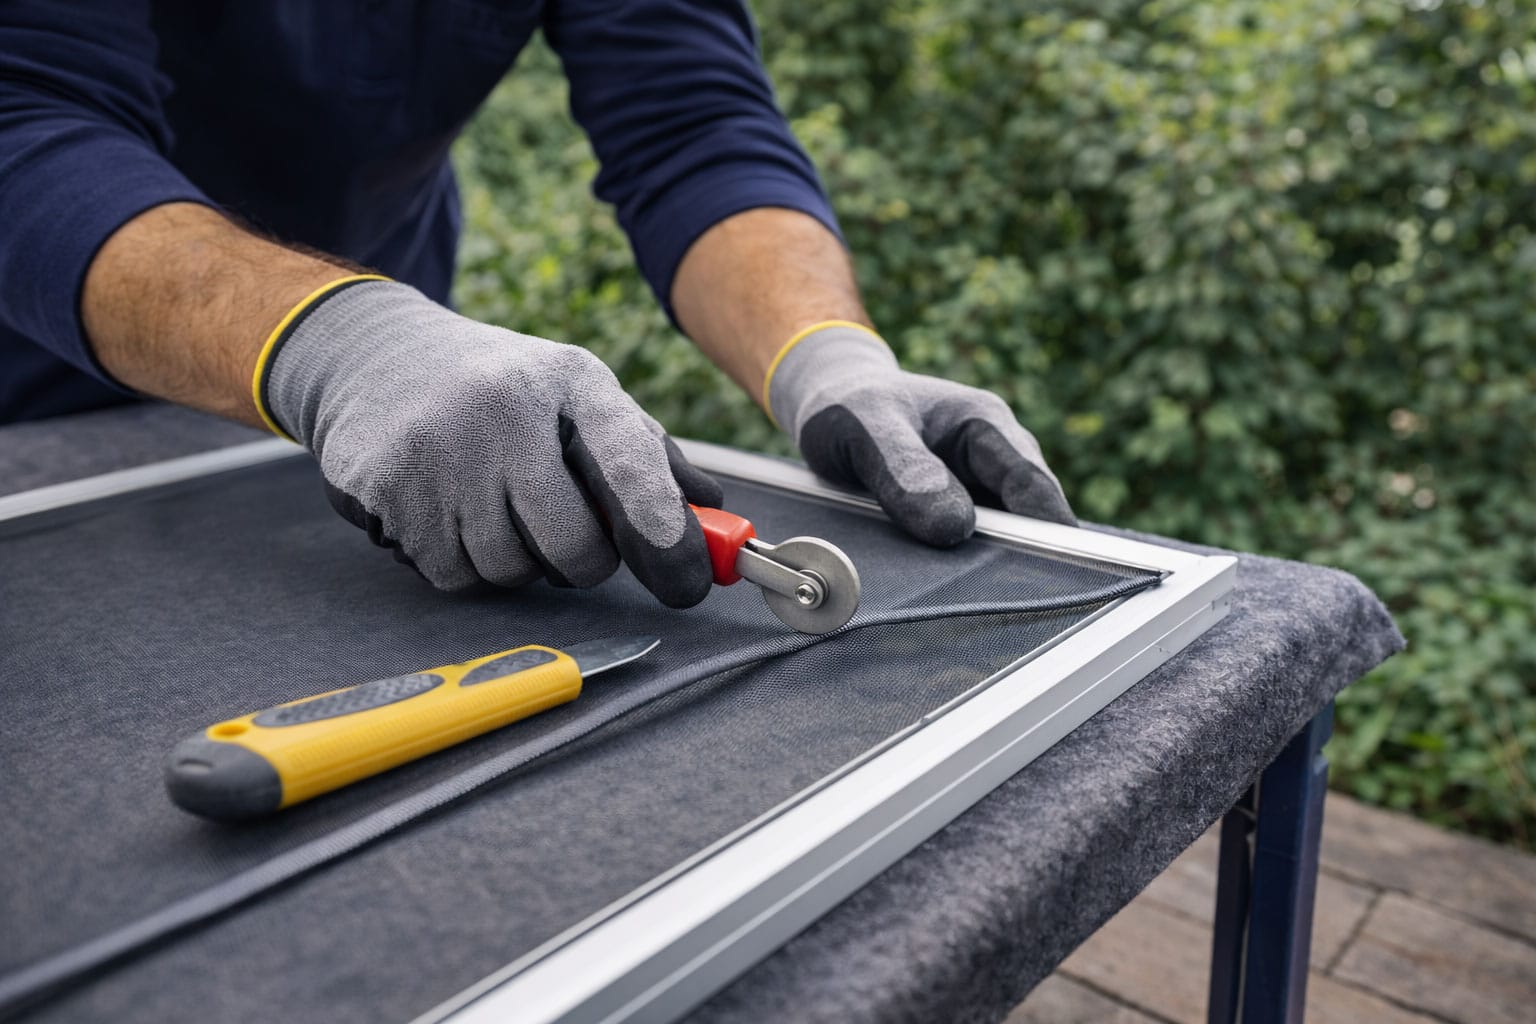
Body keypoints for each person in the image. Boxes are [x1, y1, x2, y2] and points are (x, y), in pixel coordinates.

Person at [0, 1, 1075, 608]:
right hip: (41, 412)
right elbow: (26, 118)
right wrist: (341, 343)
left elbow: (689, 122)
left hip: (398, 409)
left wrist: (828, 357)